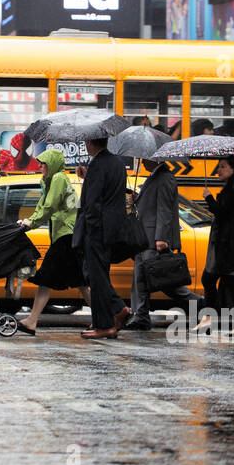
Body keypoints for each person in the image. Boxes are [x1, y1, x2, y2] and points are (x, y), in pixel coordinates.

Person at [15, 149, 88, 336]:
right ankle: (104, 318)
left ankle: (32, 320)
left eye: (43, 163)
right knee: (80, 282)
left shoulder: (59, 179)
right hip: (64, 235)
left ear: (53, 163)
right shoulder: (49, 181)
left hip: (66, 235)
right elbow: (42, 206)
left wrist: (32, 223)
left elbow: (50, 206)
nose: (39, 167)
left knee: (46, 278)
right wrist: (29, 221)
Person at [127, 158, 200, 330]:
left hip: (153, 239)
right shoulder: (154, 176)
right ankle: (141, 316)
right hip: (144, 237)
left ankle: (198, 302)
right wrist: (136, 200)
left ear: (156, 158)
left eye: (146, 158)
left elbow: (165, 210)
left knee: (164, 282)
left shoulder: (165, 177)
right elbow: (152, 205)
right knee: (140, 279)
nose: (142, 161)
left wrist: (161, 238)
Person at [73, 135, 130, 339]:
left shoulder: (98, 164)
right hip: (112, 229)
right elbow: (108, 192)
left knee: (96, 277)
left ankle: (106, 323)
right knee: (95, 273)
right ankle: (110, 314)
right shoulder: (117, 163)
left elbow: (93, 202)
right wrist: (87, 176)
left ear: (90, 142)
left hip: (97, 230)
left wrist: (89, 228)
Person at [196, 157, 234, 336]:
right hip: (230, 245)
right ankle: (211, 319)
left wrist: (208, 198)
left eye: (222, 167)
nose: (218, 170)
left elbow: (220, 212)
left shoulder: (233, 192)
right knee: (220, 281)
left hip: (228, 247)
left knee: (220, 281)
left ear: (233, 169)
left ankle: (214, 320)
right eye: (218, 166)